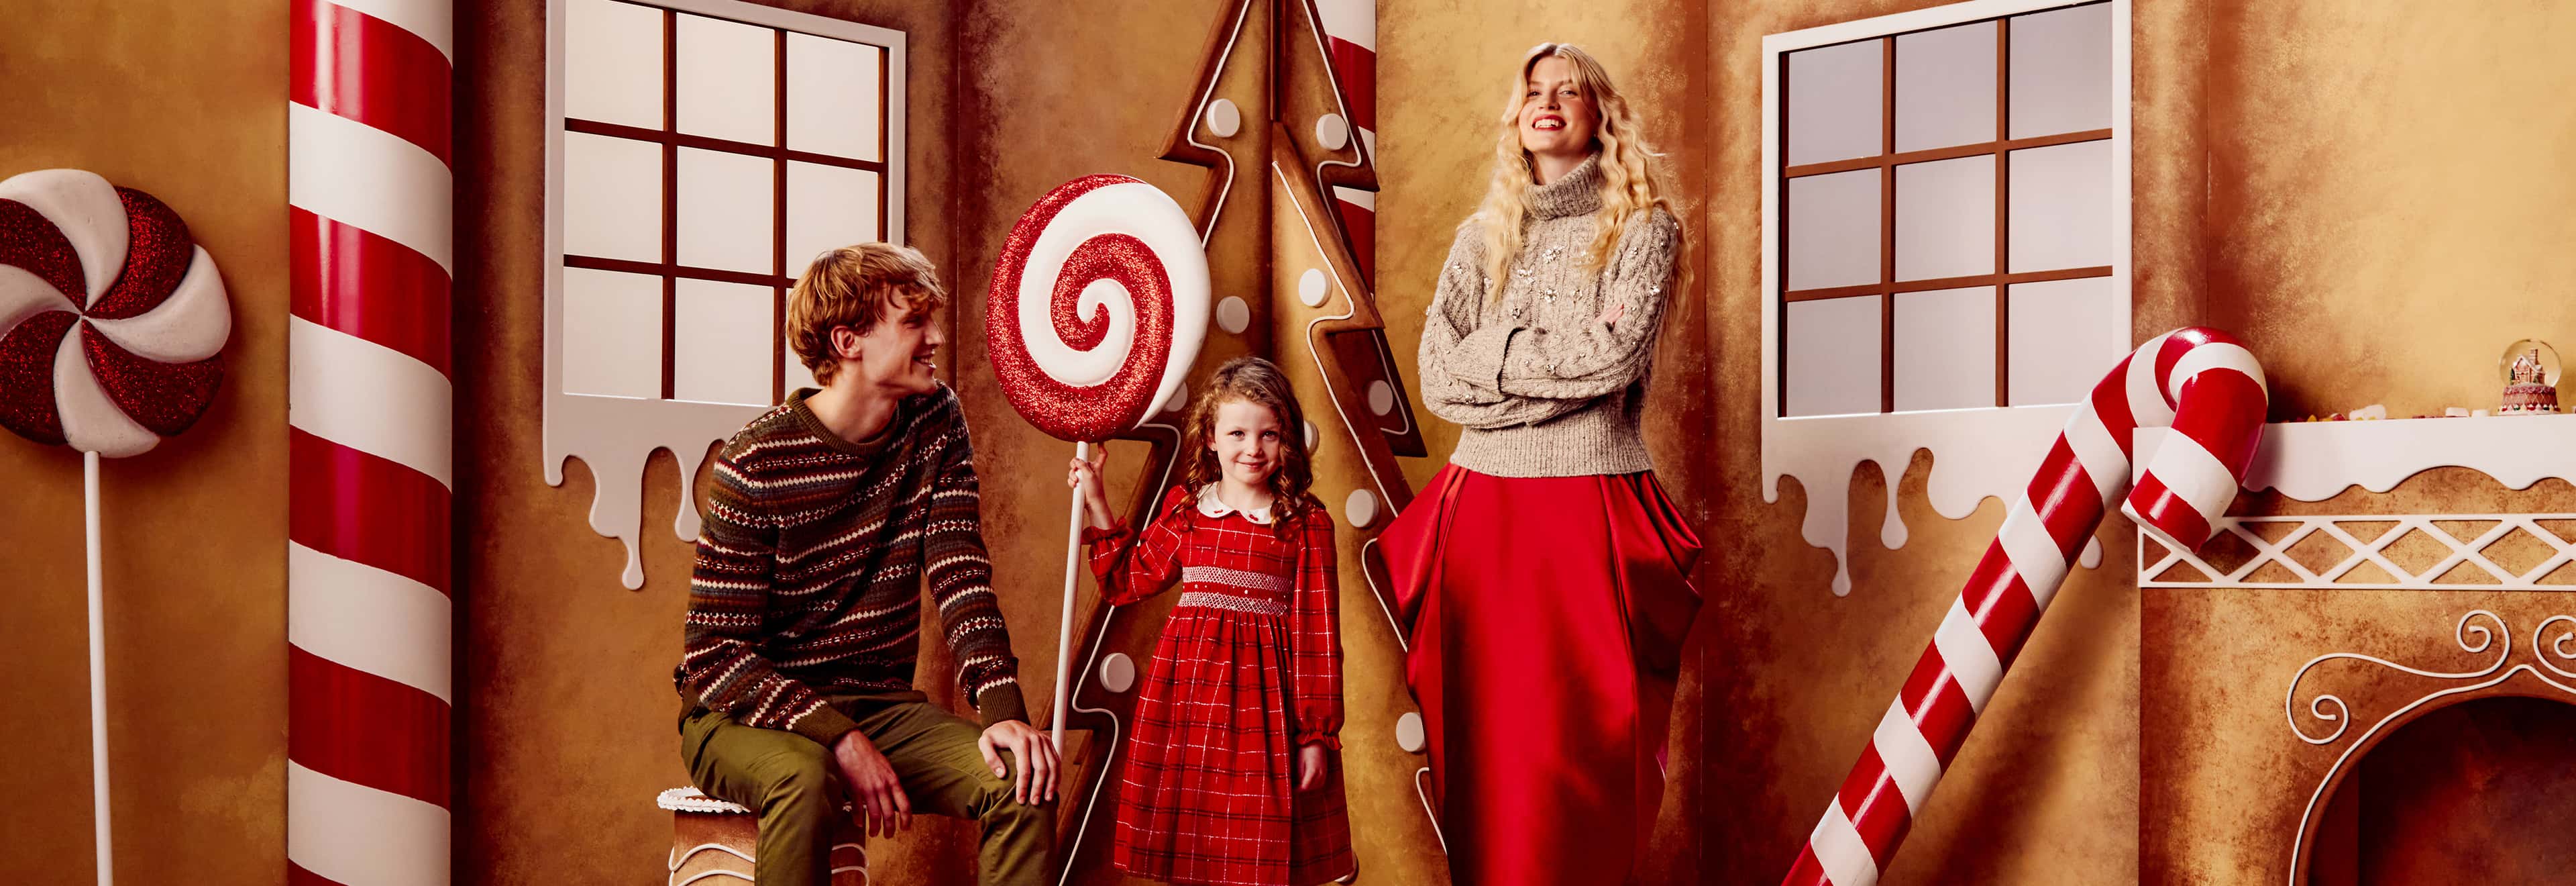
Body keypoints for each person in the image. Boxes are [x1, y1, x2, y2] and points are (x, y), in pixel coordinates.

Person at [1381, 42, 1703, 886]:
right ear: (1516, 116)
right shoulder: (1481, 236)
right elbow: (1435, 377)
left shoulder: (1646, 231)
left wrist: (1496, 356)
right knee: (1484, 743)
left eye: (1570, 91)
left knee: (1583, 750)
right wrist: (1538, 368)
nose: (1548, 102)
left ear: (1602, 114)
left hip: (1586, 507)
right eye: (1534, 91)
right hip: (1481, 511)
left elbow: (1612, 358)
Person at [674, 242, 1059, 885]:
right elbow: (715, 654)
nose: (936, 336)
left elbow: (960, 574)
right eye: (914, 322)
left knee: (1023, 780)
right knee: (804, 774)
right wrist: (836, 736)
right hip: (739, 714)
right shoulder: (754, 463)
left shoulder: (934, 418)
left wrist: (1006, 714)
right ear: (848, 339)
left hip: (876, 702)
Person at [1067, 356, 1355, 886]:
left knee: (1256, 848)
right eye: (1239, 432)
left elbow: (1318, 635)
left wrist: (1314, 733)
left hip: (1264, 713)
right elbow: (1129, 580)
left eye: (1270, 434)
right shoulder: (1187, 512)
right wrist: (1097, 500)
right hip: (1188, 705)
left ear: (1287, 439)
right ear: (1210, 438)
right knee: (1195, 849)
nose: (1253, 448)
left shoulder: (1305, 523)